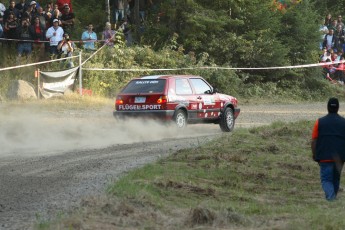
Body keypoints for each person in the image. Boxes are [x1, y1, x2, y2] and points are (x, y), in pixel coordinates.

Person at [311, 98, 345, 201]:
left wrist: (314, 154)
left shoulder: (319, 122)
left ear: (327, 107)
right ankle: (332, 198)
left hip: (324, 156)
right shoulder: (344, 122)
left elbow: (314, 141)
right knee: (336, 179)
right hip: (340, 157)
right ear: (338, 108)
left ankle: (331, 198)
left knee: (326, 180)